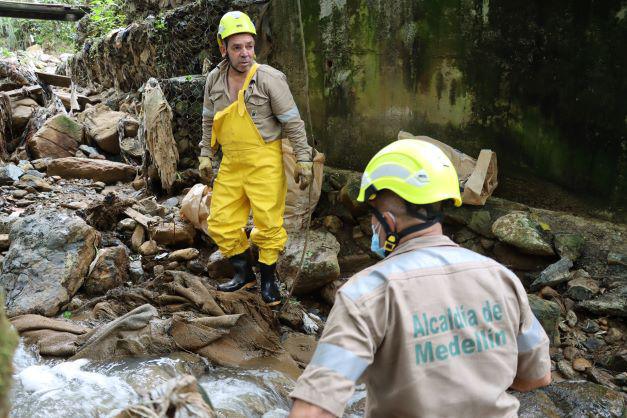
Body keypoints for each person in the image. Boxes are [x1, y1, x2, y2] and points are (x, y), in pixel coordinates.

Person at [289, 139, 551, 417]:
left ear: (389, 221)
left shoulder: (366, 293)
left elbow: (313, 411)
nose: (373, 225)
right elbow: (536, 377)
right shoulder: (502, 278)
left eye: (373, 216)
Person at [199, 11, 313, 306]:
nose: (245, 53)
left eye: (249, 46)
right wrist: (205, 156)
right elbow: (208, 121)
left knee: (268, 224)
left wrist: (304, 159)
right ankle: (244, 274)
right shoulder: (214, 80)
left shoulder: (269, 79)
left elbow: (293, 122)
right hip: (232, 162)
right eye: (237, 47)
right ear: (223, 48)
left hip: (265, 160)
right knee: (221, 221)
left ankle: (270, 282)